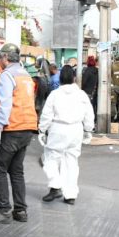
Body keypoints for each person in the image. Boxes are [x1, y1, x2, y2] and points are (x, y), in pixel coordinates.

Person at [0, 43, 38, 224]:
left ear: (6, 57)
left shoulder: (7, 75)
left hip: (11, 129)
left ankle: (3, 209)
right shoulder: (25, 75)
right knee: (16, 171)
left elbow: (5, 104)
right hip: (27, 128)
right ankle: (20, 211)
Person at [38, 65, 94, 205]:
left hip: (58, 129)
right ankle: (70, 195)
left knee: (51, 159)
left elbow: (46, 115)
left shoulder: (55, 94)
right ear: (74, 78)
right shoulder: (81, 95)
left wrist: (42, 129)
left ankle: (55, 187)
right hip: (76, 130)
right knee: (71, 162)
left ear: (61, 78)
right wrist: (88, 130)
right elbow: (89, 114)